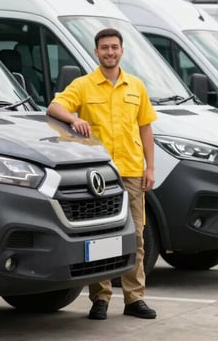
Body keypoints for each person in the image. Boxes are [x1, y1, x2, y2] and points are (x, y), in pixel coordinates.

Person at [47, 28, 157, 320]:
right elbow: (54, 106)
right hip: (98, 177)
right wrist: (74, 118)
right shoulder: (83, 85)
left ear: (122, 50)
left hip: (132, 171)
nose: (110, 52)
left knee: (135, 237)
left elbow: (146, 127)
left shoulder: (136, 86)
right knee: (100, 238)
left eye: (114, 47)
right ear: (96, 52)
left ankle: (135, 299)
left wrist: (151, 167)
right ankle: (101, 299)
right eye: (104, 48)